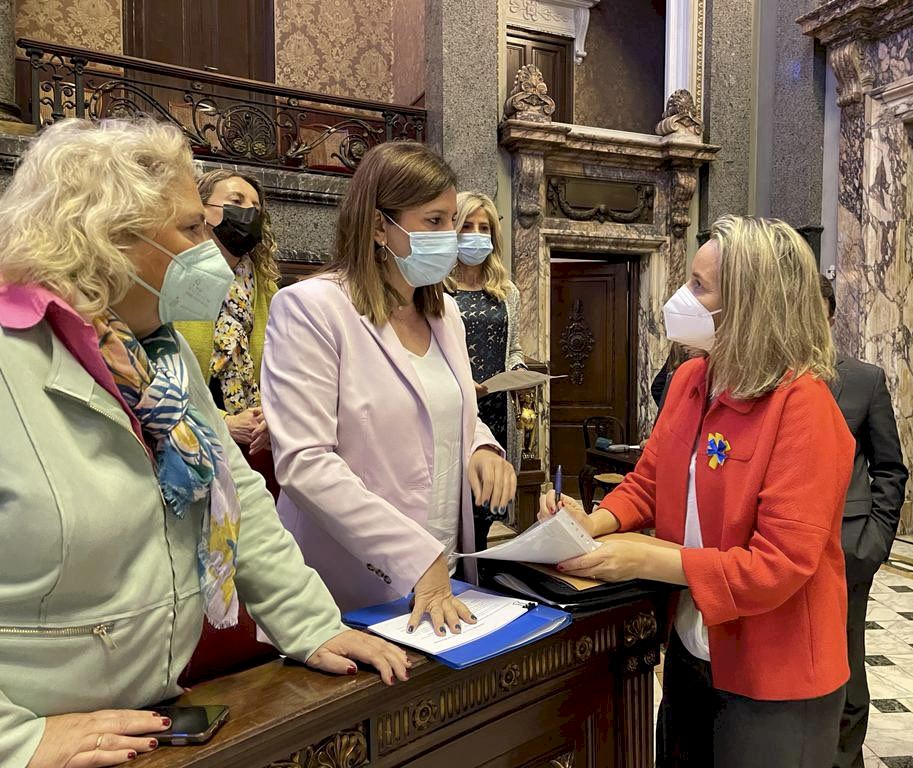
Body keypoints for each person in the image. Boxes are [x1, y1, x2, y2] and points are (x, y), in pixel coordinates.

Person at [0, 119, 408, 768]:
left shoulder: (160, 354)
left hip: (151, 720)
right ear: (109, 235)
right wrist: (16, 740)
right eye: (192, 228)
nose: (212, 249)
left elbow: (236, 494)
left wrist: (310, 624)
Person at [540, 216, 855, 767]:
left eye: (698, 286)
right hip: (690, 646)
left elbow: (779, 565)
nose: (680, 297)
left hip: (774, 674)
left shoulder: (803, 406)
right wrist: (594, 521)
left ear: (750, 304)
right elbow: (649, 481)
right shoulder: (692, 380)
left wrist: (648, 558)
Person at [261, 141, 516, 634]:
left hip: (445, 562)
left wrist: (481, 447)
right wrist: (415, 556)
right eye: (434, 221)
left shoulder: (446, 315)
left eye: (451, 221)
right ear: (380, 226)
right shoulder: (311, 309)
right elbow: (305, 462)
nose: (450, 238)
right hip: (352, 583)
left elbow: (448, 409)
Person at [818, 275, 908, 768]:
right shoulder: (767, 377)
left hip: (847, 548)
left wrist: (873, 543)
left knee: (848, 672)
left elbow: (890, 467)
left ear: (831, 318)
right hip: (775, 548)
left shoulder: (863, 380)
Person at [174, 169, 279, 496]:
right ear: (202, 211)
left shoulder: (266, 287)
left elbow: (283, 367)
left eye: (255, 207)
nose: (248, 212)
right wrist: (223, 422)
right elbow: (164, 372)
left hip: (255, 442)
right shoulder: (176, 279)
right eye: (237, 201)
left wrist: (271, 416)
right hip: (190, 437)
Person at [445, 191, 526, 546]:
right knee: (453, 502)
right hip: (455, 408)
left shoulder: (507, 292)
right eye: (467, 226)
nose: (477, 235)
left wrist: (519, 371)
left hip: (497, 409)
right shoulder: (436, 288)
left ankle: (479, 566)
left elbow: (514, 347)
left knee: (486, 504)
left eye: (484, 227)